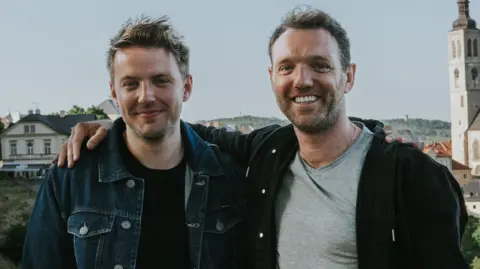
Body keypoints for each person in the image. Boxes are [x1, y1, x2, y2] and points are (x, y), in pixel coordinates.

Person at [56, 7, 468, 269]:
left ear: (349, 76)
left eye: (319, 65)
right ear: (271, 78)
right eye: (286, 67)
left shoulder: (409, 175)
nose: (301, 80)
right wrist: (121, 124)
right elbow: (183, 133)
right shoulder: (268, 151)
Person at [22, 16, 249, 269]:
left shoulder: (228, 178)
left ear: (186, 87)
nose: (146, 96)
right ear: (114, 93)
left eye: (161, 81)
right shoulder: (69, 179)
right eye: (131, 84)